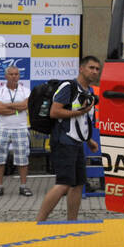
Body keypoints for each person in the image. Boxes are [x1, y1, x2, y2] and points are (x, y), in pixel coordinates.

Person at [36, 56, 103, 222]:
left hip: (78, 142)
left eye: (97, 69)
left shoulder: (89, 91)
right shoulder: (69, 86)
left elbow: (83, 121)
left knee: (79, 184)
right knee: (64, 183)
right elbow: (55, 112)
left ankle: (72, 222)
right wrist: (79, 112)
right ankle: (38, 222)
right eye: (91, 68)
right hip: (63, 141)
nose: (95, 71)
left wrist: (88, 140)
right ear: (81, 69)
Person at [0, 65, 32, 197]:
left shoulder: (25, 91)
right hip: (2, 128)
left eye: (16, 74)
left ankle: (23, 186)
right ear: (6, 76)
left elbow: (26, 105)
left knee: (22, 159)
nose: (14, 76)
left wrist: (7, 105)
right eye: (11, 74)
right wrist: (18, 109)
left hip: (20, 128)